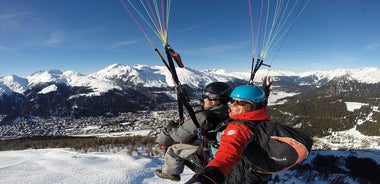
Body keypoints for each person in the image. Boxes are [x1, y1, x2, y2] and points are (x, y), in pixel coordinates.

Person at [185, 85, 272, 184]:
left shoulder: (239, 128)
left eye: (241, 102)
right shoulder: (261, 119)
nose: (233, 105)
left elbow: (227, 154)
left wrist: (208, 177)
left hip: (235, 175)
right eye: (232, 100)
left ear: (254, 106)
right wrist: (265, 92)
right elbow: (262, 104)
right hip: (254, 173)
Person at [154, 82, 233, 181]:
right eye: (206, 95)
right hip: (216, 145)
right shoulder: (231, 111)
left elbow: (178, 136)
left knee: (173, 150)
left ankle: (171, 172)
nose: (206, 99)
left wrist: (171, 127)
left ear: (223, 99)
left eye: (212, 96)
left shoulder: (202, 116)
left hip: (205, 151)